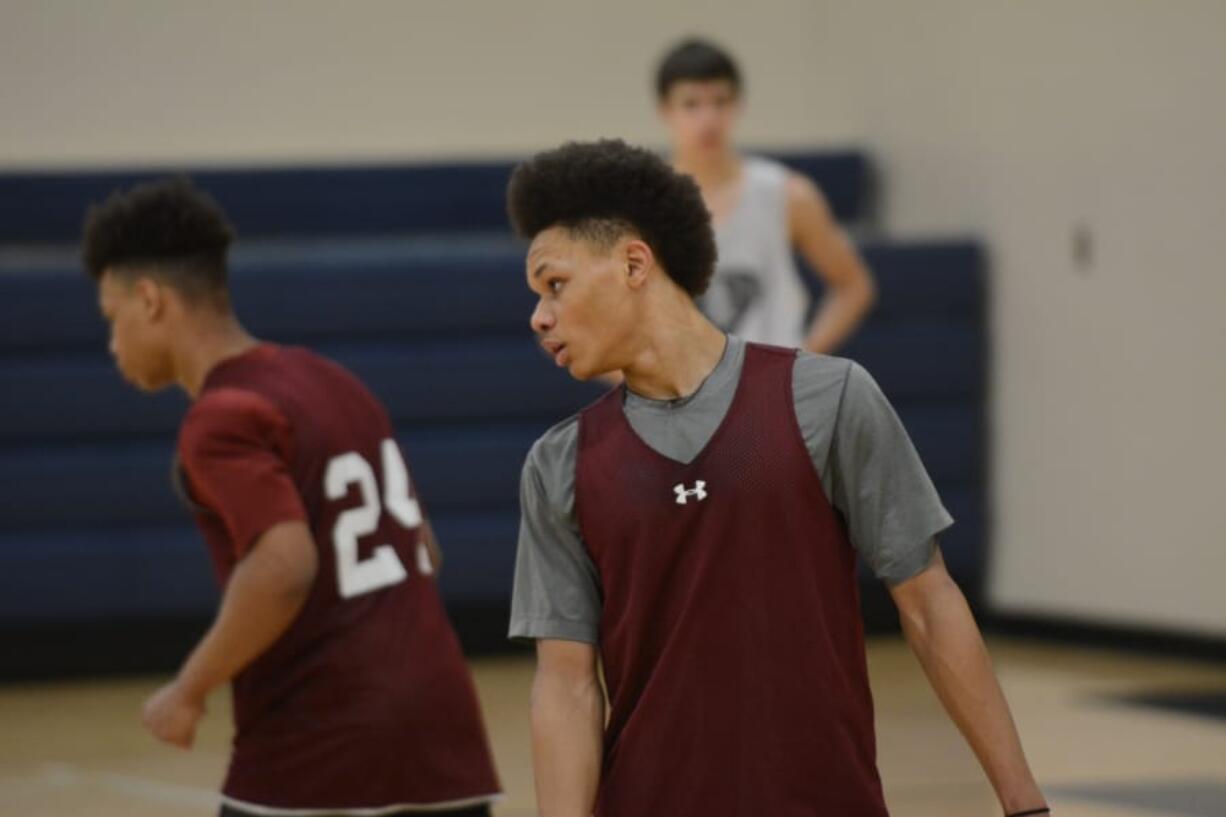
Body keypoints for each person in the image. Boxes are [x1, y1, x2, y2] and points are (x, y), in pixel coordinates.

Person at [506, 140, 1049, 817]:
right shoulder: (559, 465)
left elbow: (929, 603)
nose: (539, 317)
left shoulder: (829, 398)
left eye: (554, 284)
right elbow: (565, 686)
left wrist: (1023, 800)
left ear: (634, 262)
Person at [82, 178, 500, 817]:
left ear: (150, 299)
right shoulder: (332, 380)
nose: (113, 346)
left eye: (112, 319)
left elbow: (283, 567)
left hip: (320, 754)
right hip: (446, 743)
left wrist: (189, 689)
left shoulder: (222, 415)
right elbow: (424, 551)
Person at [656, 37, 876, 352]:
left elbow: (854, 286)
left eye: (720, 101)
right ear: (665, 110)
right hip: (677, 396)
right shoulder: (639, 207)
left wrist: (804, 363)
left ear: (739, 104)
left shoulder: (787, 194)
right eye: (691, 104)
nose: (709, 119)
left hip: (771, 390)